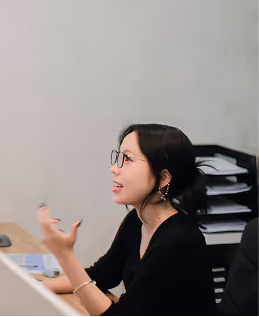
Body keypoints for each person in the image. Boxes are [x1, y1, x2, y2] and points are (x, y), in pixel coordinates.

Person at [38, 124, 216, 315]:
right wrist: (37, 287)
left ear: (163, 177)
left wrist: (65, 256)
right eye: (118, 158)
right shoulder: (137, 220)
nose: (113, 168)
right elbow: (103, 274)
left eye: (128, 159)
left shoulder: (178, 241)